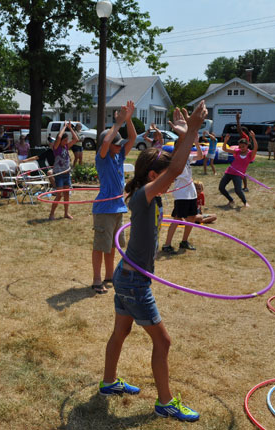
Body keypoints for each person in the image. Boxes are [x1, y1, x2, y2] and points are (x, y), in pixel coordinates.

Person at [99, 101, 207, 423]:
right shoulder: (144, 194)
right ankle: (165, 402)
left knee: (121, 332)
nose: (172, 181)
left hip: (129, 275)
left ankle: (108, 383)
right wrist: (195, 131)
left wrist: (183, 137)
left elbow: (175, 165)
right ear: (152, 176)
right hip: (133, 281)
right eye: (165, 177)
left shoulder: (153, 197)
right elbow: (175, 169)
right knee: (164, 341)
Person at [91, 101, 136, 294]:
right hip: (104, 209)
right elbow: (107, 142)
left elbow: (133, 138)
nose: (119, 147)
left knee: (112, 247)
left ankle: (110, 276)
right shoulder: (102, 158)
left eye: (119, 145)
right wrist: (117, 123)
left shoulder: (119, 157)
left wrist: (128, 120)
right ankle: (96, 280)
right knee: (100, 246)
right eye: (116, 144)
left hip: (118, 208)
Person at [161, 137, 203, 254]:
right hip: (182, 194)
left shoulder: (187, 158)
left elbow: (200, 156)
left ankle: (184, 241)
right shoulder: (174, 160)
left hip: (191, 192)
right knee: (177, 218)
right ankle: (167, 244)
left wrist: (196, 143)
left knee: (192, 218)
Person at [218, 131, 258, 208]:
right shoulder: (237, 152)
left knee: (238, 190)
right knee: (221, 188)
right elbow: (224, 149)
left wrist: (253, 138)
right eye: (240, 146)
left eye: (243, 146)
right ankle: (231, 200)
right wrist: (225, 140)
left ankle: (245, 202)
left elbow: (255, 148)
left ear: (247, 146)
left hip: (238, 174)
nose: (241, 148)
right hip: (229, 172)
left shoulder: (250, 154)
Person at [48, 121, 78, 220]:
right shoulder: (56, 148)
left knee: (66, 195)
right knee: (59, 194)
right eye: (65, 140)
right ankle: (51, 214)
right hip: (59, 174)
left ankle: (66, 213)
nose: (66, 141)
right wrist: (64, 127)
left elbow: (76, 139)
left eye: (67, 140)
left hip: (66, 173)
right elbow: (59, 138)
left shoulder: (66, 146)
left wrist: (70, 128)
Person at [235, 113, 250, 191]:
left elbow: (239, 129)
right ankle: (243, 186)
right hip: (242, 156)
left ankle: (245, 187)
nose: (239, 132)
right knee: (241, 172)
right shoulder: (245, 138)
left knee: (242, 172)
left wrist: (237, 120)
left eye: (241, 131)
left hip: (243, 156)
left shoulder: (244, 136)